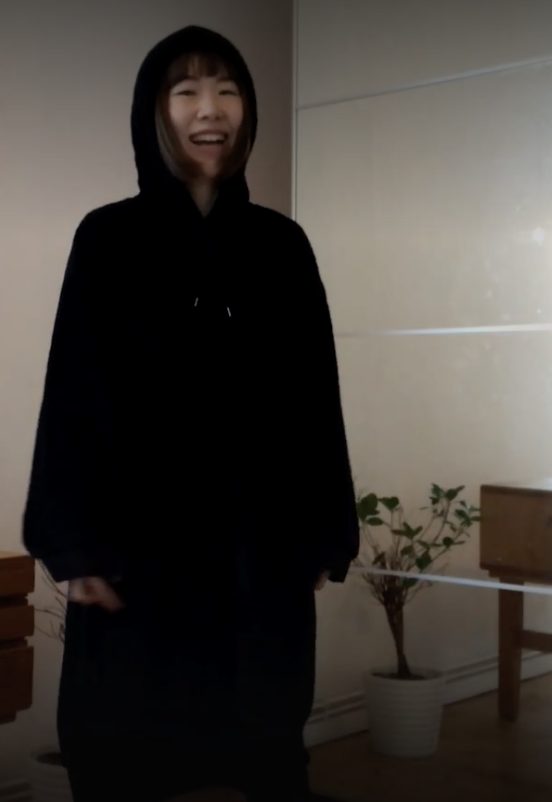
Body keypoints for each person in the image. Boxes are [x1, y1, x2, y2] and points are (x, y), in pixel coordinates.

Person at [21, 25, 359, 802]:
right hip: (138, 562)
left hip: (256, 561)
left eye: (228, 90)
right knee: (129, 755)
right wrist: (75, 546)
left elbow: (315, 399)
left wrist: (322, 532)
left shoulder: (282, 246)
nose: (211, 109)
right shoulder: (107, 239)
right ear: (156, 112)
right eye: (188, 91)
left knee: (262, 753)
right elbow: (73, 396)